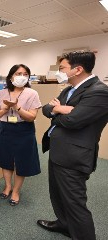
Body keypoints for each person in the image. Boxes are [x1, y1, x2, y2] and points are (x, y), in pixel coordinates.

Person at [38, 51, 108, 240]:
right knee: (58, 195)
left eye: (62, 68)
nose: (58, 72)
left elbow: (73, 121)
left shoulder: (100, 91)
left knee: (75, 203)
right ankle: (64, 224)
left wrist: (58, 110)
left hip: (74, 156)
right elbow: (46, 109)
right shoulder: (70, 88)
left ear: (78, 69)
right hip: (59, 151)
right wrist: (60, 109)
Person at [0, 64, 41, 206]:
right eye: (18, 73)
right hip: (6, 129)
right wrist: (5, 109)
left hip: (24, 129)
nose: (22, 77)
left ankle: (16, 191)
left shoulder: (32, 93)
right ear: (11, 76)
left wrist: (17, 107)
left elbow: (31, 117)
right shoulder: (2, 93)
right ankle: (7, 186)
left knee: (21, 161)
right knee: (5, 159)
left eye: (25, 74)